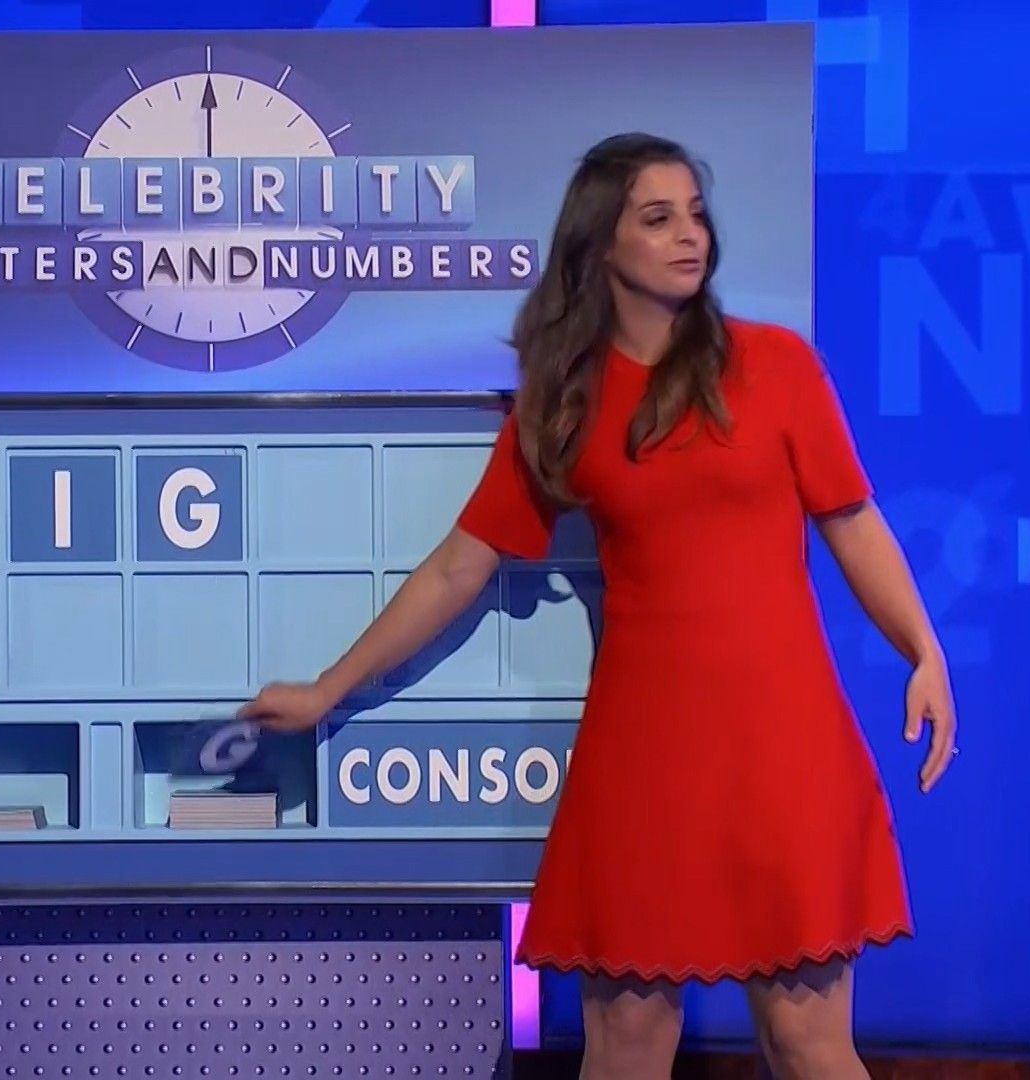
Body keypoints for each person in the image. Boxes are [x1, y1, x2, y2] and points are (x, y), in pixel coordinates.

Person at [236, 132, 956, 1079]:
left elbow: (853, 524)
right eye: (658, 218)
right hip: (644, 754)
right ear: (600, 243)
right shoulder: (566, 405)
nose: (689, 235)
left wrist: (922, 649)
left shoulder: (777, 367)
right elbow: (459, 568)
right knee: (625, 1045)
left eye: (695, 214)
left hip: (784, 746)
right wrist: (328, 690)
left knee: (805, 1041)